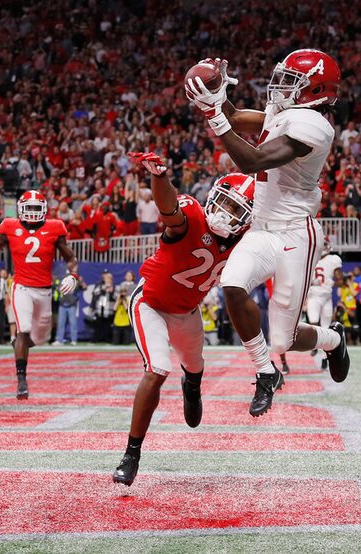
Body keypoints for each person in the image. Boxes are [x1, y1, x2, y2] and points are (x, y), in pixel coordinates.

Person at [185, 51, 349, 417]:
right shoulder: (285, 114)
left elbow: (253, 161)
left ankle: (332, 339)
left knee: (284, 339)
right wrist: (214, 96)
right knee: (232, 284)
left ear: (316, 90)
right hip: (262, 227)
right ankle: (265, 371)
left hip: (295, 233)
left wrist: (215, 116)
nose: (281, 86)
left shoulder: (315, 126)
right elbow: (236, 117)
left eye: (293, 80)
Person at [112, 152, 254, 487]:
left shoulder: (246, 243)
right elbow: (169, 209)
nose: (224, 213)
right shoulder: (192, 215)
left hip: (188, 312)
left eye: (235, 210)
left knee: (194, 366)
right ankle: (131, 453)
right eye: (223, 203)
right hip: (150, 303)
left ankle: (192, 386)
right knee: (158, 368)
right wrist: (160, 177)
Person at [0, 190, 79, 400]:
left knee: (40, 338)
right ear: (20, 208)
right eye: (30, 208)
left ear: (44, 209)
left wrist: (73, 275)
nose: (33, 213)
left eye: (37, 208)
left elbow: (69, 256)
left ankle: (20, 343)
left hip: (44, 290)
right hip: (22, 287)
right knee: (23, 329)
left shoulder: (54, 227)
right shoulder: (9, 226)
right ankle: (21, 380)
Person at [306, 239, 343, 370]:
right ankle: (315, 345)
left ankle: (324, 358)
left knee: (326, 329)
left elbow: (340, 281)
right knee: (314, 323)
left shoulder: (333, 259)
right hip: (313, 296)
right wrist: (310, 282)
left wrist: (332, 282)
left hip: (326, 297)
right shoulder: (309, 258)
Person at [54, 273, 85, 346]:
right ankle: (59, 339)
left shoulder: (75, 282)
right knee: (60, 323)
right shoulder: (62, 280)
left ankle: (74, 340)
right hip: (62, 304)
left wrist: (80, 281)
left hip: (72, 305)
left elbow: (84, 287)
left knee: (73, 323)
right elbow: (57, 288)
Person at [91, 270, 115, 343]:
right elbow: (94, 293)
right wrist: (103, 288)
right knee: (98, 324)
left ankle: (108, 340)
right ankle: (95, 340)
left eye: (109, 278)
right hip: (100, 308)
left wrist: (112, 292)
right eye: (106, 278)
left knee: (108, 325)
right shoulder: (100, 285)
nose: (107, 279)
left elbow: (117, 297)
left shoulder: (115, 286)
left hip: (109, 309)